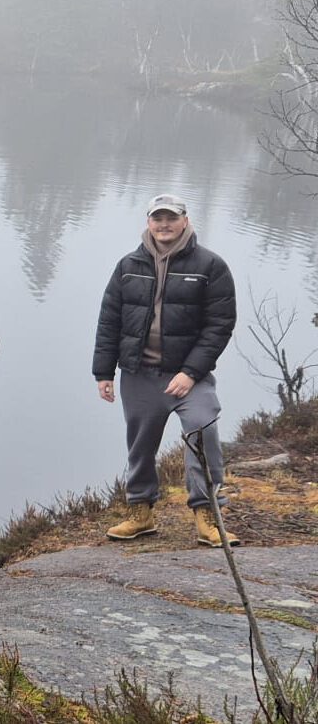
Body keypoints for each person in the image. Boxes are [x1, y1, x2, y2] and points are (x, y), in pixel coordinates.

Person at [95, 194, 240, 547]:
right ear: (148, 223)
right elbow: (109, 319)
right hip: (139, 374)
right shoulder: (128, 265)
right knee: (140, 445)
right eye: (157, 218)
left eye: (171, 218)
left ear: (185, 221)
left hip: (190, 377)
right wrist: (103, 372)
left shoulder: (211, 266)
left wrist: (191, 372)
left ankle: (208, 514)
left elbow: (220, 325)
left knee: (202, 431)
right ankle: (140, 512)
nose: (164, 225)